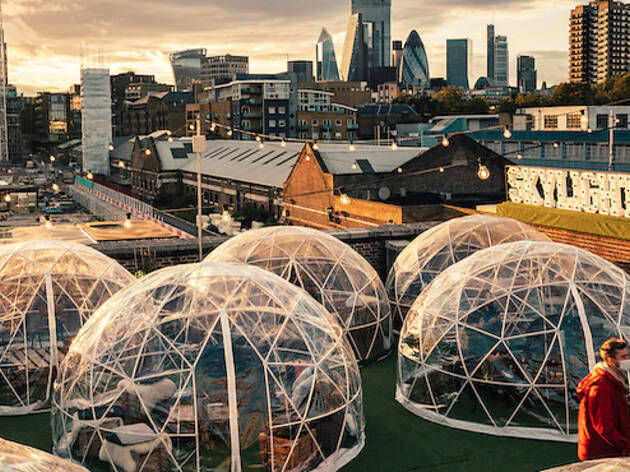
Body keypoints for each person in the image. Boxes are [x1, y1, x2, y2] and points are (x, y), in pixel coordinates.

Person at [577, 338, 630, 460]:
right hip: (601, 453)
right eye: (623, 357)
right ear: (611, 361)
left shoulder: (614, 380)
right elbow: (604, 427)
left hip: (607, 450)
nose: (627, 360)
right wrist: (626, 446)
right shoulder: (601, 387)